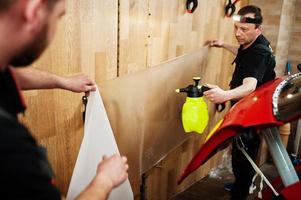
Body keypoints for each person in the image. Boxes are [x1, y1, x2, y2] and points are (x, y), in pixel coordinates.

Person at [0, 0, 128, 199]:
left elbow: (9, 75)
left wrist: (63, 82)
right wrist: (105, 180)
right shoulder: (10, 146)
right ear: (34, 12)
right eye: (59, 16)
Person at [204, 5, 276, 200]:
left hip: (251, 113)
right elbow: (242, 52)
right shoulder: (252, 44)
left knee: (243, 157)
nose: (238, 33)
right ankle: (240, 185)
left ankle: (240, 193)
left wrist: (224, 95)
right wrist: (223, 44)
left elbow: (250, 86)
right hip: (248, 108)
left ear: (258, 29)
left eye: (243, 30)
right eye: (236, 28)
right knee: (241, 153)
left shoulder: (259, 52)